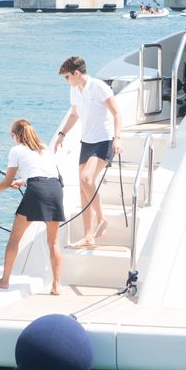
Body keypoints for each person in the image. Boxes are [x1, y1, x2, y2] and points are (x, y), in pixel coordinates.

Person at [0, 119, 65, 295]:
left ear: (15, 135)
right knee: (54, 242)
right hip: (55, 189)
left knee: (15, 238)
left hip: (37, 190)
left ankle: (4, 280)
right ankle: (56, 285)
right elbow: (44, 173)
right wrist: (24, 181)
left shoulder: (16, 150)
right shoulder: (43, 147)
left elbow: (6, 182)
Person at [54, 56, 122, 249]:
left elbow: (117, 112)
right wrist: (62, 134)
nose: (66, 81)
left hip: (104, 140)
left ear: (76, 73)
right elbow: (74, 114)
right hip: (87, 142)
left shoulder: (99, 87)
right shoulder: (75, 90)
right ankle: (88, 236)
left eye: (67, 77)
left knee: (86, 179)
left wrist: (117, 138)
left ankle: (102, 219)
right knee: (82, 190)